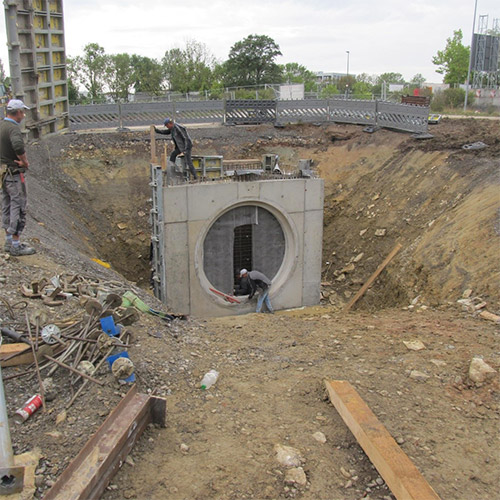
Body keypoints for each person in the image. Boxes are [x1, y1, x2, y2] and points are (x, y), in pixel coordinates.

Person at [1, 99, 35, 256]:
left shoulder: (1, 126)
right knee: (18, 205)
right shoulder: (13, 129)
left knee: (6, 204)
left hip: (2, 174)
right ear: (19, 112)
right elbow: (18, 145)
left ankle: (8, 242)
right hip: (14, 174)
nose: (24, 115)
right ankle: (15, 244)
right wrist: (24, 161)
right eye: (23, 112)